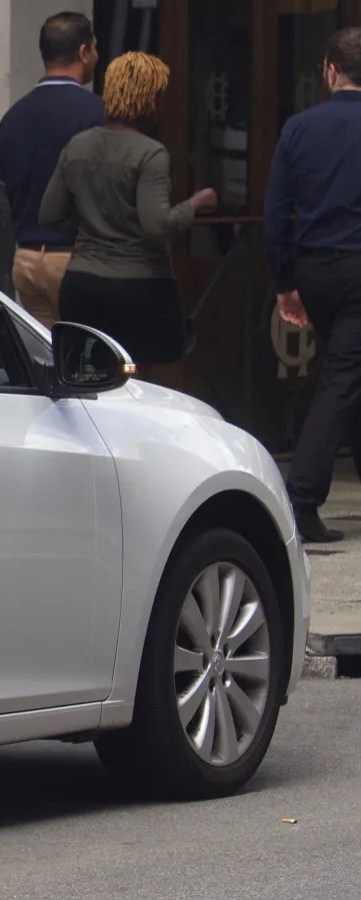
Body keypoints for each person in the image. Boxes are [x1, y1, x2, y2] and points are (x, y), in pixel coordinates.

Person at [40, 51, 217, 370]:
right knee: (149, 389)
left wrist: (91, 226)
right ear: (150, 99)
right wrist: (196, 203)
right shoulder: (150, 154)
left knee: (89, 388)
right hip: (141, 291)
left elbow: (49, 214)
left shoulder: (77, 146)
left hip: (82, 286)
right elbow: (157, 225)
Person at [269, 27, 361, 544]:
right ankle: (301, 498)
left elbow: (277, 210)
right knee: (344, 378)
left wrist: (284, 281)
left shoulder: (299, 128)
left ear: (330, 71)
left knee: (348, 374)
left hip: (315, 270)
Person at [0, 12, 105, 327]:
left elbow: (6, 182)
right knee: (88, 361)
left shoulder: (12, 117)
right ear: (84, 52)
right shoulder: (98, 114)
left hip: (27, 261)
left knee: (44, 361)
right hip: (76, 261)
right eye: (94, 48)